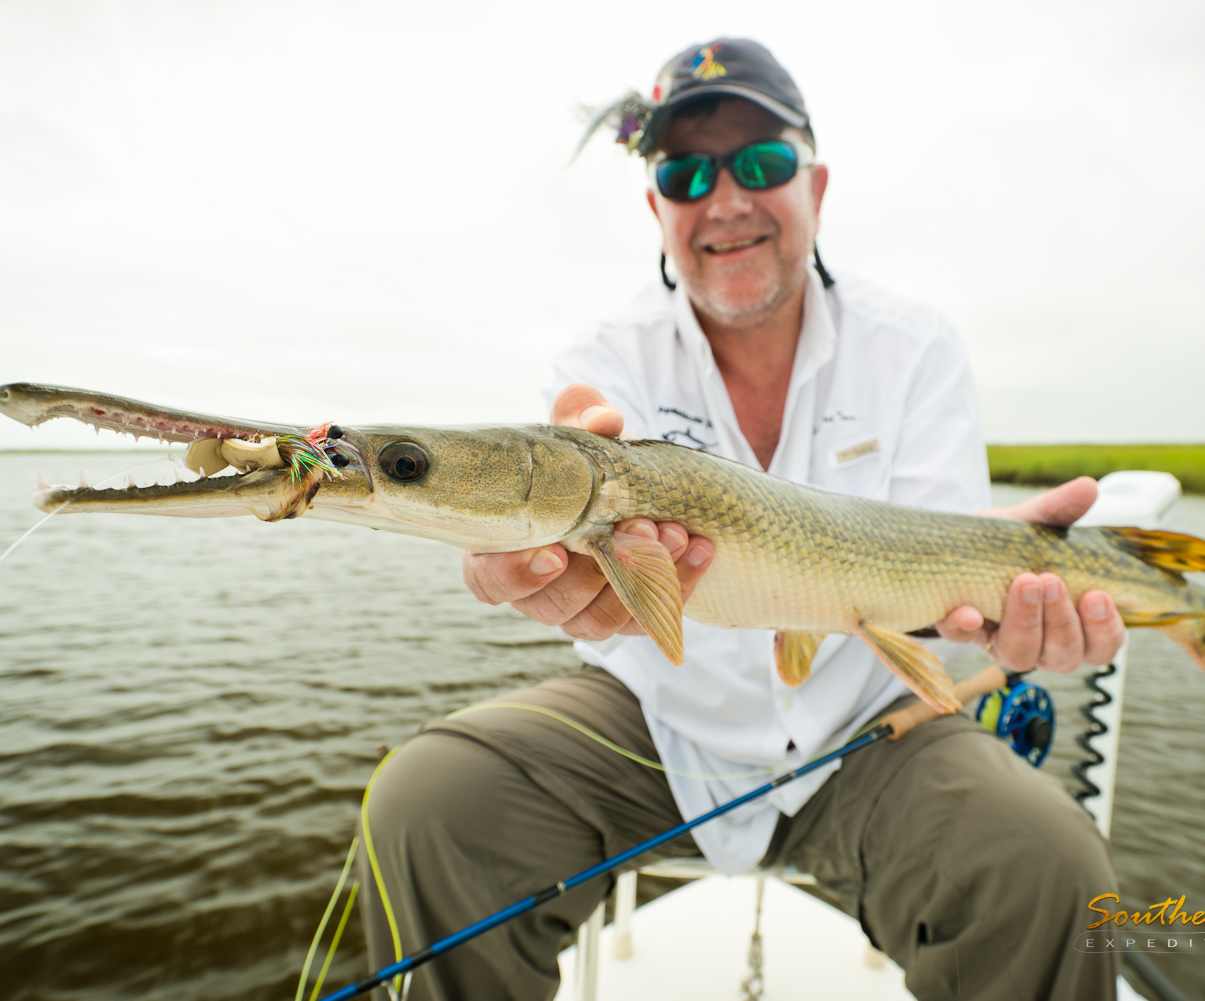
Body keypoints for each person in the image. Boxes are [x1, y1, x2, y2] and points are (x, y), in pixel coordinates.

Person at [358, 38, 1125, 1000]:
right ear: (657, 208)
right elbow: (581, 524)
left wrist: (1011, 604)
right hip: (655, 717)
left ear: (817, 184)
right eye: (684, 171)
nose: (724, 200)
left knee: (1051, 863)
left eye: (760, 163)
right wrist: (543, 576)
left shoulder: (916, 343)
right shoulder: (604, 354)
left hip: (867, 720)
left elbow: (938, 583)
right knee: (430, 800)